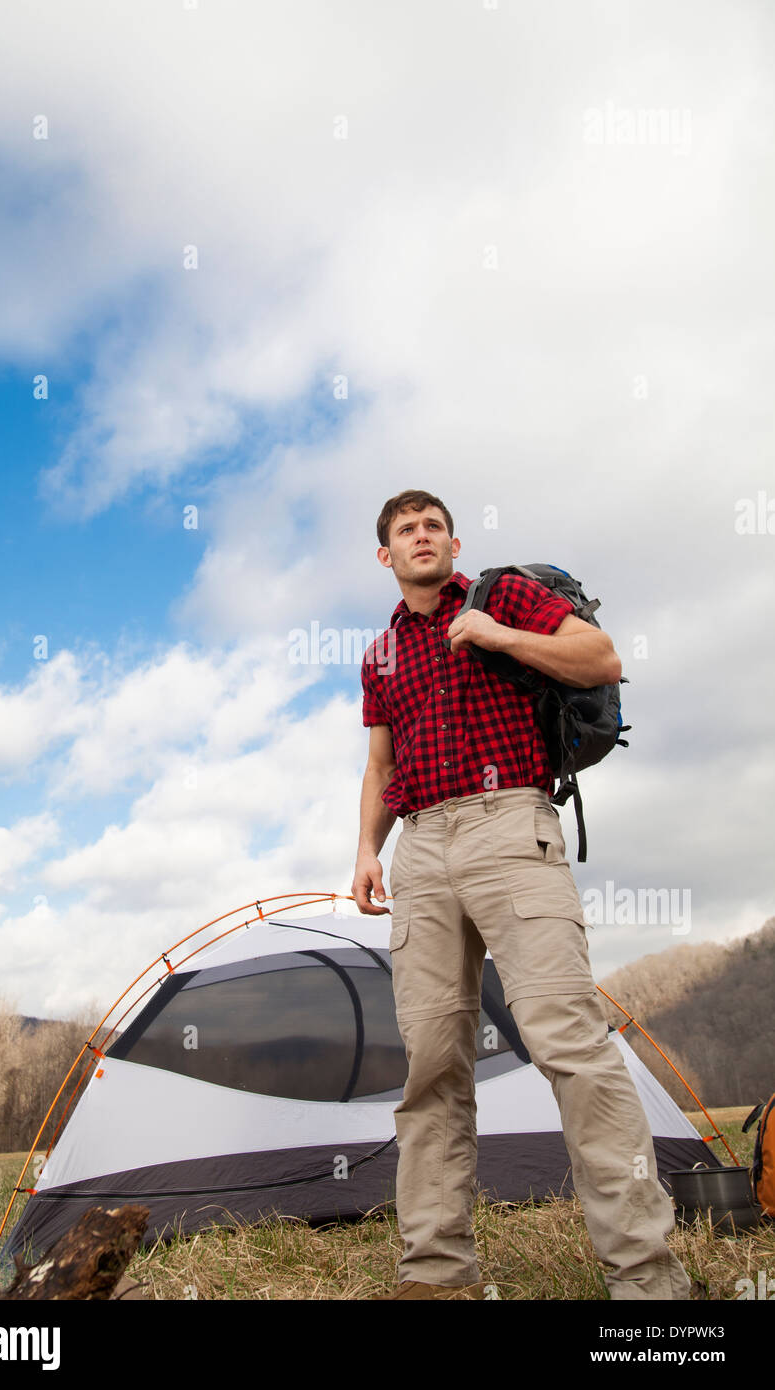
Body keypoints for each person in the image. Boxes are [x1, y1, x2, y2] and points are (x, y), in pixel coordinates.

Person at [351, 488, 691, 1301]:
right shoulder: (377, 655)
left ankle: (647, 1282)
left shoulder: (500, 595)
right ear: (385, 556)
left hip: (512, 826)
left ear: (453, 541)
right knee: (431, 1067)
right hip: (422, 848)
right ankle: (436, 1278)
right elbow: (380, 765)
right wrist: (367, 849)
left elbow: (602, 658)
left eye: (433, 525)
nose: (421, 536)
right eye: (406, 529)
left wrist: (500, 635)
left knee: (568, 1045)